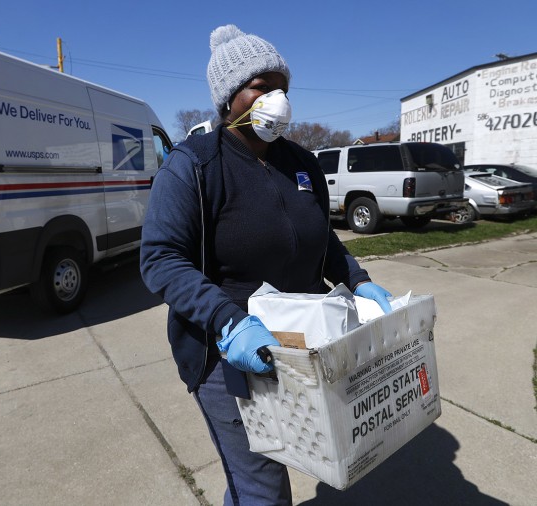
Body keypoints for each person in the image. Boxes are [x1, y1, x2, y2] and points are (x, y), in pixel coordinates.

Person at [139, 24, 393, 505]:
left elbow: (324, 239)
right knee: (263, 486)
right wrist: (228, 323)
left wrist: (358, 281)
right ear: (229, 95)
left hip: (304, 343)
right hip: (231, 352)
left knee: (297, 456)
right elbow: (160, 259)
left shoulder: (301, 162)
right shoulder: (194, 165)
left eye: (283, 88)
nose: (277, 99)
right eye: (262, 87)